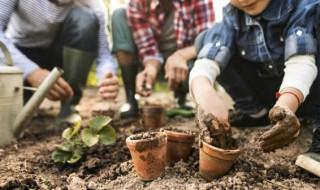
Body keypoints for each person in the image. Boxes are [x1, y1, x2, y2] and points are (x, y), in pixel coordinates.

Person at [190, 0, 320, 153]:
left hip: (308, 93)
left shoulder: (302, 6)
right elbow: (206, 63)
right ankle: (256, 113)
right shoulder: (232, 17)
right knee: (204, 40)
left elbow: (301, 62)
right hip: (271, 99)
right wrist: (204, 93)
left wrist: (286, 105)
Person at [0, 0, 119, 122]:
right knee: (13, 115)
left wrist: (107, 76)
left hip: (60, 56)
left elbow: (104, 54)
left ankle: (69, 105)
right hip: (22, 56)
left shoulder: (93, 4)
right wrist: (30, 71)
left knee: (85, 20)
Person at [111, 0, 215, 120]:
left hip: (186, 63)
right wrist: (151, 68)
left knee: (204, 59)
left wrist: (181, 56)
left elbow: (208, 41)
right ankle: (130, 98)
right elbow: (148, 48)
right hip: (154, 63)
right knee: (119, 14)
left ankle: (181, 96)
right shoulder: (137, 3)